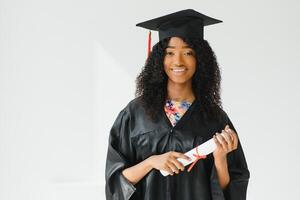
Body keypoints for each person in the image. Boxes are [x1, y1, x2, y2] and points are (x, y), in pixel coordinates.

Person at [105, 9, 250, 200]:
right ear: (159, 59)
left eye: (188, 52)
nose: (178, 61)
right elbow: (116, 183)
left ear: (200, 59)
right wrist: (151, 162)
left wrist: (220, 159)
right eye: (170, 53)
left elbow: (229, 192)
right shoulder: (134, 114)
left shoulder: (215, 118)